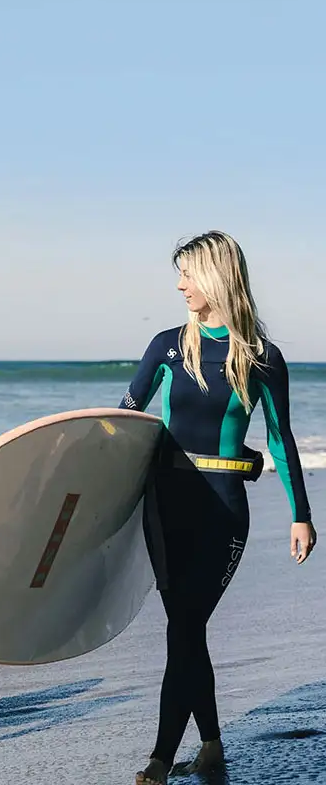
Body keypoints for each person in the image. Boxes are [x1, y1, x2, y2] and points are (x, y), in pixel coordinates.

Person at [118, 231, 317, 785]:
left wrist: (301, 513)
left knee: (184, 627)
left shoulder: (260, 356)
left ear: (217, 277)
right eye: (178, 274)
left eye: (189, 273)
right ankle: (209, 745)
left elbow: (280, 439)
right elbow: (123, 423)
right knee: (186, 629)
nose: (180, 284)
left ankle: (160, 758)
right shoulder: (166, 345)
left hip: (224, 511)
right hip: (166, 505)